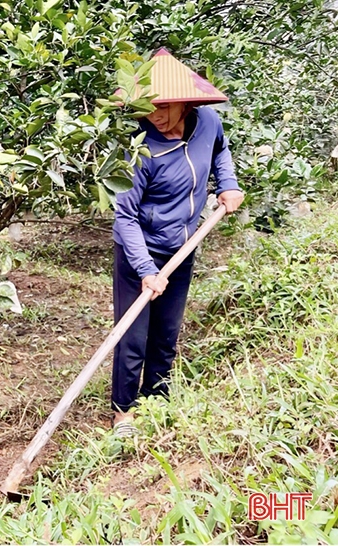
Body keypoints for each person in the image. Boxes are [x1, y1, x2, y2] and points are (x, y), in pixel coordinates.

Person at [111, 48, 244, 436]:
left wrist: (229, 184)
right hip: (140, 251)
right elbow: (125, 216)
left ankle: (157, 400)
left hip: (182, 246)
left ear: (186, 102)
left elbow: (221, 153)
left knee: (167, 332)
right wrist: (146, 270)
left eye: (165, 105)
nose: (156, 114)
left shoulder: (208, 123)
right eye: (149, 105)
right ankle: (123, 412)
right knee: (132, 335)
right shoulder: (137, 149)